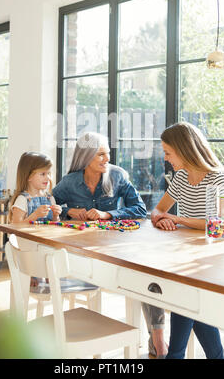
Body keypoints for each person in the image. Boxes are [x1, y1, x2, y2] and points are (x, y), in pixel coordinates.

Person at [52, 131, 168, 358]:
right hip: (82, 256)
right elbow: (49, 203)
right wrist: (68, 211)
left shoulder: (117, 176)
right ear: (86, 158)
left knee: (147, 274)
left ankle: (158, 339)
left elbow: (140, 210)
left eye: (107, 153)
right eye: (101, 155)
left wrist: (108, 214)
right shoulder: (69, 183)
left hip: (116, 251)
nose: (107, 159)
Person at [151, 122, 224, 359]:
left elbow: (222, 224)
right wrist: (162, 220)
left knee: (186, 295)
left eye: (168, 152)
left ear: (185, 149)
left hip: (218, 261)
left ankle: (175, 355)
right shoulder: (181, 178)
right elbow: (158, 210)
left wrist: (178, 219)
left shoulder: (219, 178)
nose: (166, 159)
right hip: (191, 259)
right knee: (191, 300)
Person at [9, 151, 62, 289]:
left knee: (54, 248)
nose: (48, 178)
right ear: (29, 176)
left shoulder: (50, 198)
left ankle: (48, 271)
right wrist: (34, 216)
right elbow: (15, 226)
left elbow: (55, 226)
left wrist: (56, 216)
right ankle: (31, 272)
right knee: (36, 248)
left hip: (45, 244)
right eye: (43, 174)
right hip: (28, 248)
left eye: (49, 173)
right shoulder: (23, 199)